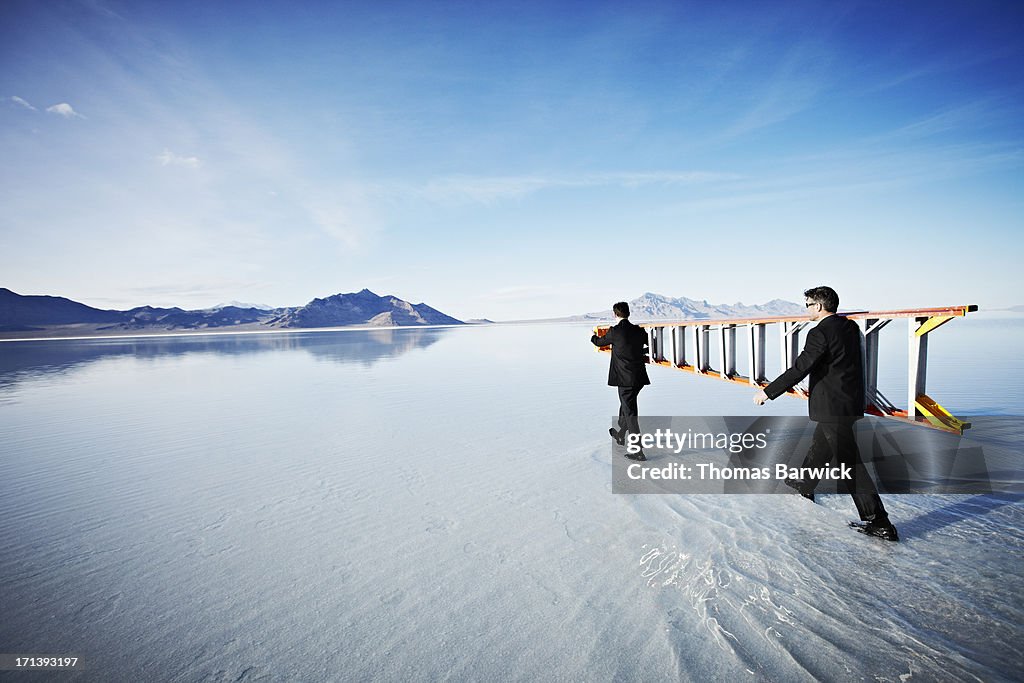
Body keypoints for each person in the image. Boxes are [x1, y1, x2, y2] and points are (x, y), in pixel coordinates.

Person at [753, 286, 899, 542]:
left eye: (808, 304)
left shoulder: (819, 332)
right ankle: (805, 483)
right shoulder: (850, 328)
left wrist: (768, 392)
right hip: (849, 403)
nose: (806, 309)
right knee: (822, 445)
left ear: (819, 306)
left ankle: (880, 522)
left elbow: (800, 368)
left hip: (832, 407)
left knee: (850, 463)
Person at [591, 301, 651, 461]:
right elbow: (649, 344)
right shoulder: (638, 331)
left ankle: (638, 451)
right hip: (638, 378)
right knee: (626, 407)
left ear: (614, 314)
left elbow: (599, 342)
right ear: (628, 313)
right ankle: (620, 434)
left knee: (630, 413)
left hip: (625, 381)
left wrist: (592, 336)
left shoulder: (614, 332)